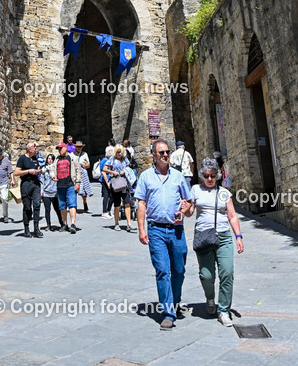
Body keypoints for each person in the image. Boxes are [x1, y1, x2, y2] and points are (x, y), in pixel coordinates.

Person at [134, 139, 192, 329]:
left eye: (167, 152)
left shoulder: (178, 176)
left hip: (176, 230)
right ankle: (168, 313)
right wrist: (141, 229)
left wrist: (183, 211)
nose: (165, 155)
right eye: (162, 153)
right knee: (162, 271)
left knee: (179, 270)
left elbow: (189, 202)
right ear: (154, 155)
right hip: (156, 229)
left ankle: (175, 302)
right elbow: (141, 203)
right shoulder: (145, 177)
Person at [190, 157, 244, 327]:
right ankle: (210, 297)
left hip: (223, 236)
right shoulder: (195, 190)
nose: (209, 179)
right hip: (204, 237)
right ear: (202, 175)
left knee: (227, 273)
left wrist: (238, 236)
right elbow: (189, 212)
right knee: (206, 275)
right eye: (206, 175)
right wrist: (184, 208)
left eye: (212, 175)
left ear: (217, 175)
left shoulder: (224, 193)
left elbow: (232, 215)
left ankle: (224, 310)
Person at [48, 142, 82, 233]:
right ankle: (64, 224)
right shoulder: (57, 159)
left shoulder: (73, 158)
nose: (59, 150)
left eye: (61, 148)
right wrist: (53, 176)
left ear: (65, 148)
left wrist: (78, 183)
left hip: (70, 184)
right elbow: (52, 169)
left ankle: (73, 224)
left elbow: (78, 170)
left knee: (72, 204)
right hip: (60, 185)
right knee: (62, 205)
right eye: (58, 149)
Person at [14, 141, 43, 238]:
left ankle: (36, 228)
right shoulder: (22, 158)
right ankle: (26, 229)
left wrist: (38, 171)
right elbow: (16, 172)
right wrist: (28, 171)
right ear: (29, 149)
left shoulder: (35, 158)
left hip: (36, 184)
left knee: (37, 205)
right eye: (35, 148)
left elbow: (36, 168)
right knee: (27, 207)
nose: (36, 149)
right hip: (26, 184)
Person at [103, 144, 135, 231]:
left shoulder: (125, 159)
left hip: (124, 183)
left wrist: (124, 171)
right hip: (116, 183)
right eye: (118, 152)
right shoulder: (112, 159)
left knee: (127, 203)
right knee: (117, 204)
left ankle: (129, 224)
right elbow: (104, 169)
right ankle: (116, 224)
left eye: (120, 152)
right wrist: (113, 172)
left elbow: (128, 167)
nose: (119, 153)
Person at [40, 152, 63, 230]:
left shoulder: (56, 169)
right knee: (47, 210)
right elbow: (42, 181)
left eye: (51, 159)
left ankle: (62, 223)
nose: (50, 160)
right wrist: (41, 191)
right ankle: (48, 225)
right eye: (49, 158)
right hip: (46, 192)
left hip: (54, 192)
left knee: (57, 209)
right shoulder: (44, 170)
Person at [75, 140, 93, 214]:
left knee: (84, 190)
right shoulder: (72, 154)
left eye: (80, 147)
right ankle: (74, 205)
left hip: (83, 173)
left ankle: (85, 203)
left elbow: (88, 164)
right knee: (75, 189)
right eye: (78, 147)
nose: (79, 148)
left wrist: (84, 165)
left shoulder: (84, 154)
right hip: (75, 173)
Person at [99, 145, 115, 218]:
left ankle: (108, 210)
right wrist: (107, 182)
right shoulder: (106, 161)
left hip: (109, 180)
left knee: (111, 196)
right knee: (106, 196)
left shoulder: (107, 160)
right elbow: (104, 172)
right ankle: (104, 211)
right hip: (105, 180)